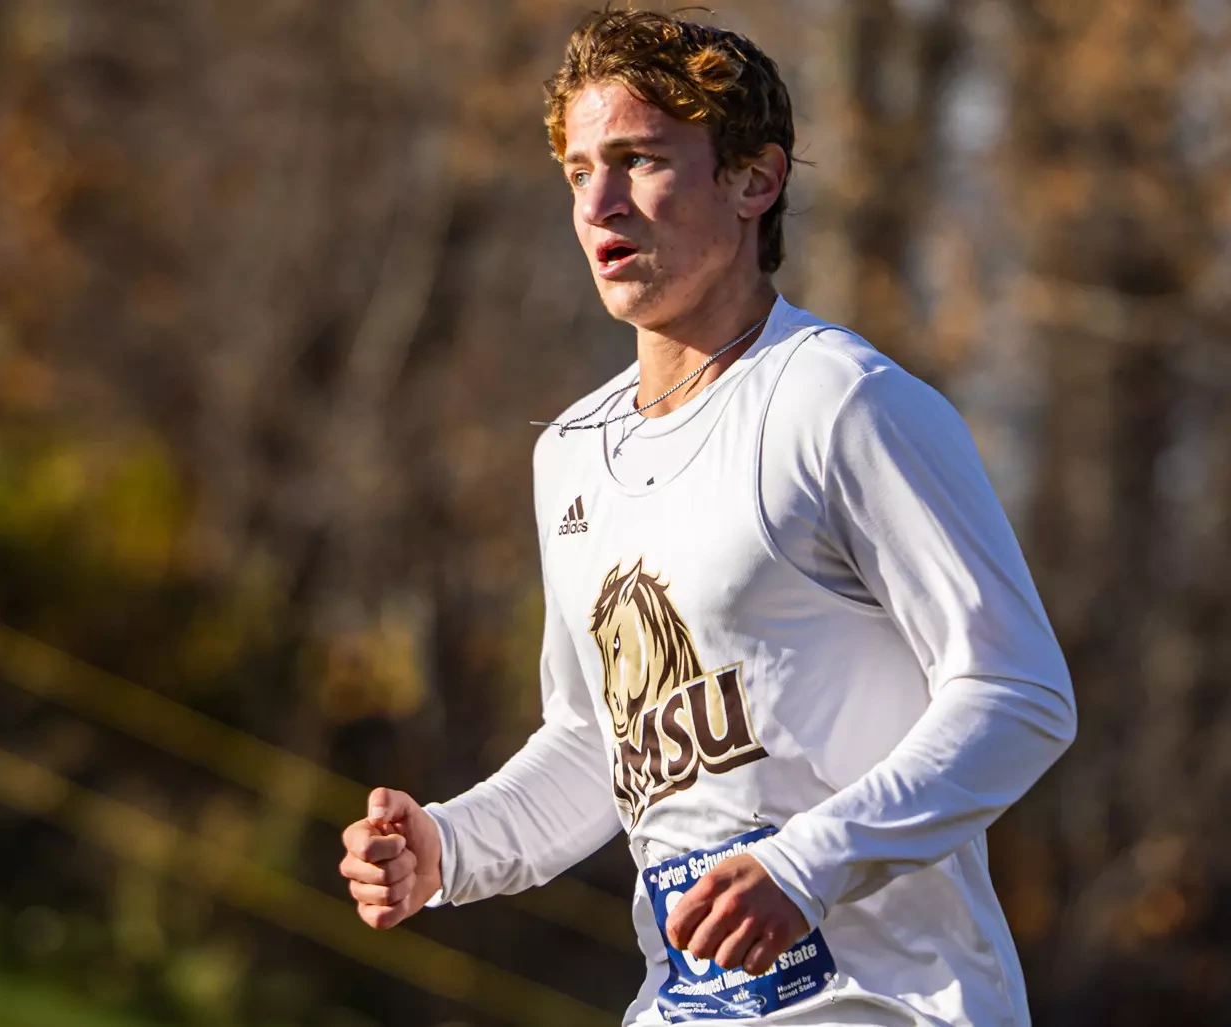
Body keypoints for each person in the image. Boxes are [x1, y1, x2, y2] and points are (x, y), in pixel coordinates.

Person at [337, 10, 1077, 1025]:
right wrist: (449, 846)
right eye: (578, 170)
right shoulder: (569, 451)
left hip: (884, 1006)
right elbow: (598, 747)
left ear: (752, 181)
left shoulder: (839, 401)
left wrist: (804, 863)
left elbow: (1016, 692)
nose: (599, 202)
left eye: (639, 162)